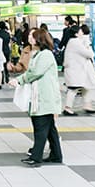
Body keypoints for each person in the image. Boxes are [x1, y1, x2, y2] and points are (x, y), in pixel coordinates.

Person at [9, 28, 62, 167]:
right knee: (50, 128)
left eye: (33, 36)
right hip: (42, 96)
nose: (30, 38)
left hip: (43, 97)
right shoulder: (39, 54)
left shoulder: (45, 55)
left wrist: (19, 80)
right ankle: (56, 155)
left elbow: (35, 72)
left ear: (40, 39)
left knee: (40, 127)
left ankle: (36, 157)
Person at [62, 25, 95, 115]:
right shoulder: (75, 42)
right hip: (75, 72)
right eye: (80, 31)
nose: (82, 33)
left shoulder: (73, 42)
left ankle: (87, 105)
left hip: (77, 71)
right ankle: (67, 108)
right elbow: (89, 54)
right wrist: (88, 46)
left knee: (86, 87)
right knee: (73, 89)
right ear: (76, 34)